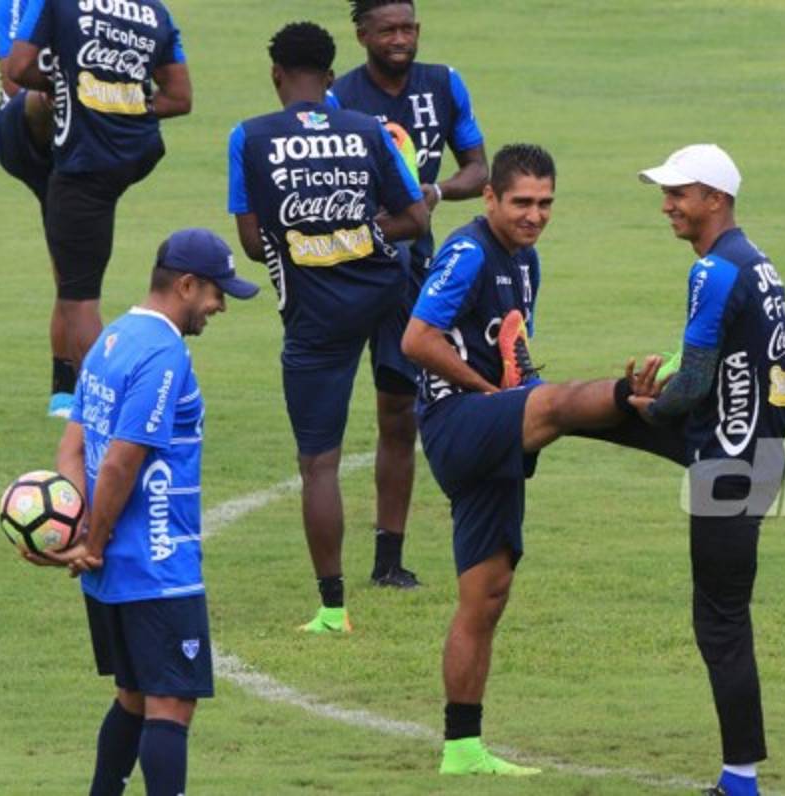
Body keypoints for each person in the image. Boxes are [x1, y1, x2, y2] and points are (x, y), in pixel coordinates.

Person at [401, 143, 663, 776]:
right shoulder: (467, 253)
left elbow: (511, 347)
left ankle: (462, 749)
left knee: (487, 594)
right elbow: (416, 339)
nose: (535, 214)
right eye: (522, 202)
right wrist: (492, 394)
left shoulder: (528, 263)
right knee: (555, 405)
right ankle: (652, 401)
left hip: (493, 425)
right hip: (458, 422)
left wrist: (508, 389)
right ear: (489, 197)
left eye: (546, 203)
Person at [25, 228, 259, 796]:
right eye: (216, 292)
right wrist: (96, 541)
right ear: (185, 284)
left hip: (113, 574)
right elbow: (123, 462)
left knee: (133, 697)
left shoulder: (112, 338)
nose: (220, 306)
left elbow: (73, 447)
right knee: (170, 704)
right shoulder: (162, 353)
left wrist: (76, 530)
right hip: (156, 565)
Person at [227, 22, 430, 634]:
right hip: (389, 296)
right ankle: (390, 562)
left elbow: (249, 239)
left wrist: (308, 243)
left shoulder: (251, 137)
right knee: (399, 422)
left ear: (276, 75)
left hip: (317, 316)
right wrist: (361, 233)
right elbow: (416, 217)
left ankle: (333, 607)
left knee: (319, 462)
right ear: (332, 73)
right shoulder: (366, 130)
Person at [631, 144, 785, 796]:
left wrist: (654, 408)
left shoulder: (713, 272)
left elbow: (695, 380)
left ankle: (740, 781)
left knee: (721, 619)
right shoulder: (759, 265)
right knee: (726, 615)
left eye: (680, 193)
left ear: (716, 200)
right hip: (760, 453)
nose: (668, 205)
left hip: (728, 461)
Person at [329, 0, 489, 588]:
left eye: (409, 28)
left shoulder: (443, 85)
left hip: (412, 273)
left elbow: (478, 168)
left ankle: (386, 560)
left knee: (399, 411)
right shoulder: (339, 99)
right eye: (388, 29)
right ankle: (329, 576)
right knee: (329, 413)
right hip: (345, 271)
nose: (401, 38)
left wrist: (434, 193)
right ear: (362, 34)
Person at [7, 0, 192, 417]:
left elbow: (18, 70)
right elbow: (180, 98)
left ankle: (102, 405)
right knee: (79, 273)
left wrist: (66, 85)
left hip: (83, 168)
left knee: (78, 299)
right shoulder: (155, 13)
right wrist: (126, 101)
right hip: (135, 154)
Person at [0, 1, 57, 412]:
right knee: (72, 268)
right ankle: (68, 384)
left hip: (83, 123)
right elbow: (12, 79)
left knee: (73, 267)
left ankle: (68, 386)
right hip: (30, 128)